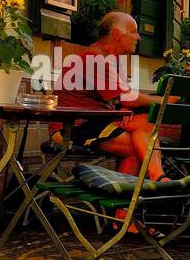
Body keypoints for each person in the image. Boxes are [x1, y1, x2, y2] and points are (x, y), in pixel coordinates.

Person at [52, 11, 166, 182]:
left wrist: (122, 108)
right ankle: (156, 181)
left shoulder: (106, 58)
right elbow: (127, 96)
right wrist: (164, 101)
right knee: (137, 148)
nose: (138, 37)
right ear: (117, 34)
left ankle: (158, 178)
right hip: (73, 126)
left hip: (95, 120)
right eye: (134, 31)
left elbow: (119, 96)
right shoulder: (95, 58)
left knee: (145, 124)